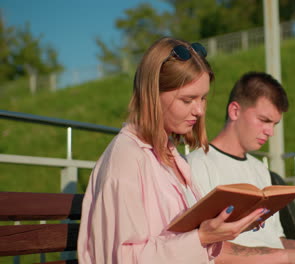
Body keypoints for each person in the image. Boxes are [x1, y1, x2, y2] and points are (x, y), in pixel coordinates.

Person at [77, 38, 268, 264]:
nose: (199, 110)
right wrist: (202, 237)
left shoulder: (168, 155)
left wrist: (226, 225)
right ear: (152, 95)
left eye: (203, 98)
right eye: (187, 100)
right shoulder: (126, 158)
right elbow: (123, 258)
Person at [187, 72, 295, 264]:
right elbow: (204, 250)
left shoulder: (260, 169)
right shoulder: (197, 165)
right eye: (264, 120)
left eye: (274, 124)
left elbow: (273, 240)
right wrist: (288, 257)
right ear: (235, 111)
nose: (270, 132)